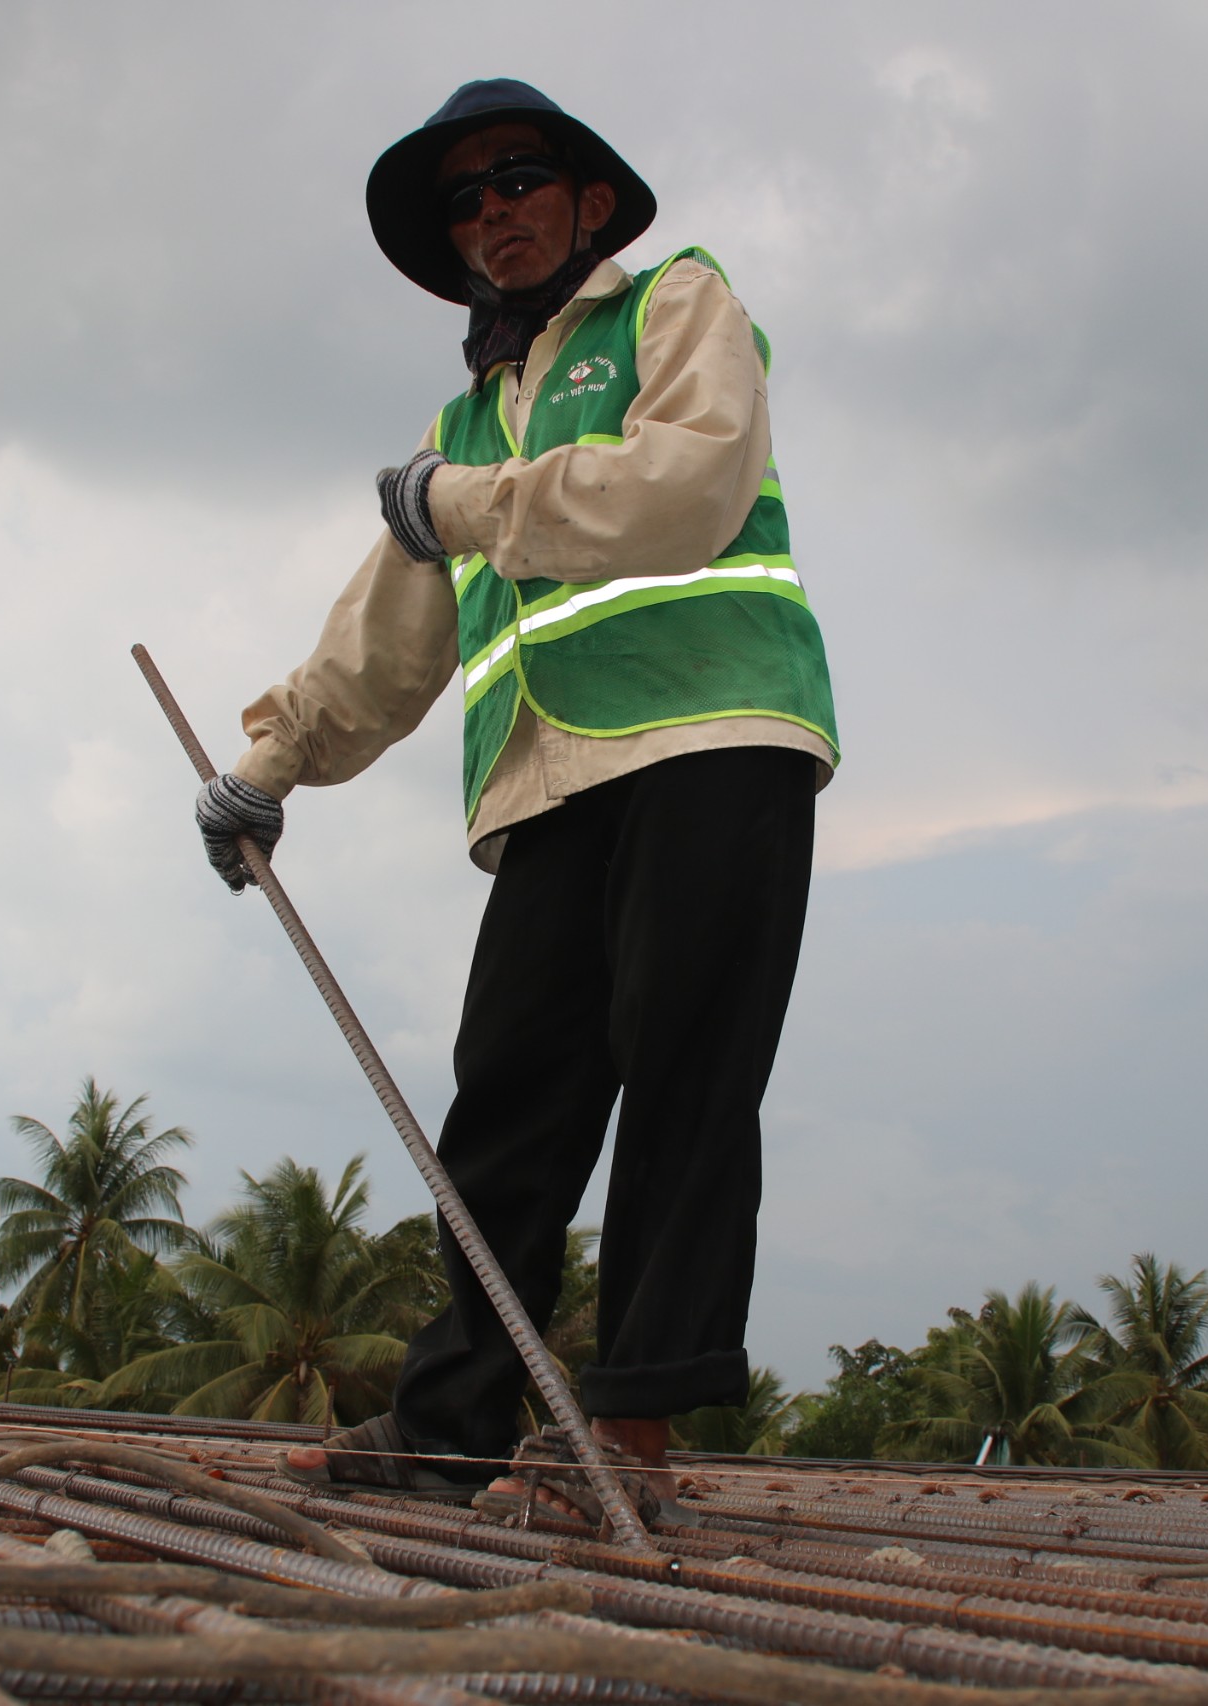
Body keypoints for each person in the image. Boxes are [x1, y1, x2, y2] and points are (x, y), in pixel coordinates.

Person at [194, 78, 837, 1523]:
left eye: (518, 178)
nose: (491, 213)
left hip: (714, 738)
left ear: (588, 202)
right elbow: (387, 637)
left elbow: (690, 485)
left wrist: (464, 506)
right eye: (465, 202)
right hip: (548, 776)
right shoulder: (465, 418)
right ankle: (449, 1429)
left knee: (686, 1076)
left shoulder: (675, 302)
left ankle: (633, 1439)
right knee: (509, 1101)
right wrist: (266, 764)